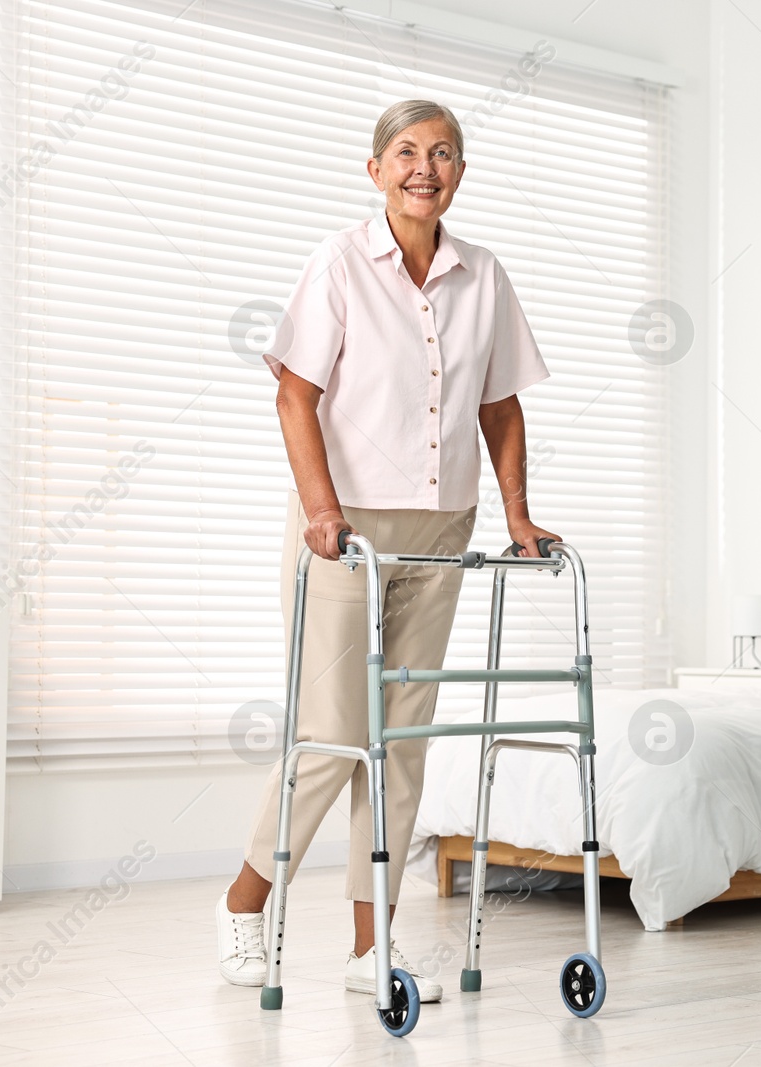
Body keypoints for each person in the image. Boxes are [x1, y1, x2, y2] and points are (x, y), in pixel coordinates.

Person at [216, 99, 558, 1004]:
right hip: (347, 530)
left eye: (443, 152)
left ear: (458, 172)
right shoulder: (339, 262)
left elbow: (499, 406)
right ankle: (246, 900)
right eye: (407, 151)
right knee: (333, 736)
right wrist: (321, 510)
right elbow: (294, 394)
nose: (425, 167)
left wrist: (519, 518)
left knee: (402, 741)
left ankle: (373, 949)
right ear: (375, 170)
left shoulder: (483, 275)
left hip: (443, 527)